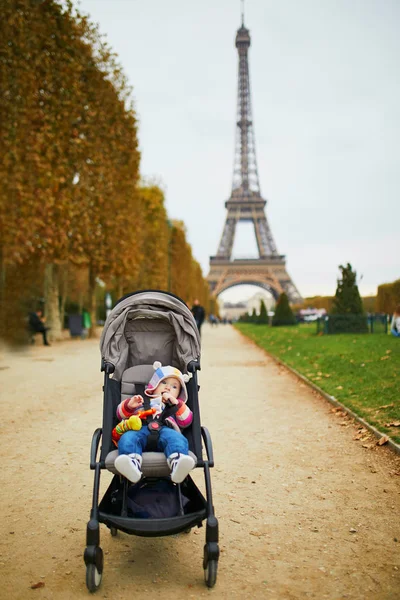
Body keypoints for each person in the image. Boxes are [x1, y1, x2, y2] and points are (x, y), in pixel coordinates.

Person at [114, 362, 195, 484]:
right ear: (154, 385)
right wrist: (129, 405)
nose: (168, 388)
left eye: (174, 387)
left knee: (177, 439)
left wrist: (177, 404)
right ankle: (131, 463)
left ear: (179, 393)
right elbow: (120, 415)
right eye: (163, 383)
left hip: (166, 430)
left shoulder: (176, 405)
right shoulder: (140, 399)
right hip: (140, 428)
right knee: (128, 438)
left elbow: (186, 421)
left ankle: (178, 462)